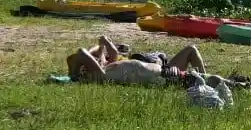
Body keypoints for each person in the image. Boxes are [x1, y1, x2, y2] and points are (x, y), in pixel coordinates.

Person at [66, 36, 207, 86]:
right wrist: (73, 75)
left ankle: (204, 79)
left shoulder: (106, 67)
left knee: (191, 49)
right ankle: (206, 82)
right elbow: (82, 52)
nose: (97, 58)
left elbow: (101, 47)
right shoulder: (100, 75)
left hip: (164, 69)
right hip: (163, 75)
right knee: (212, 80)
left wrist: (101, 48)